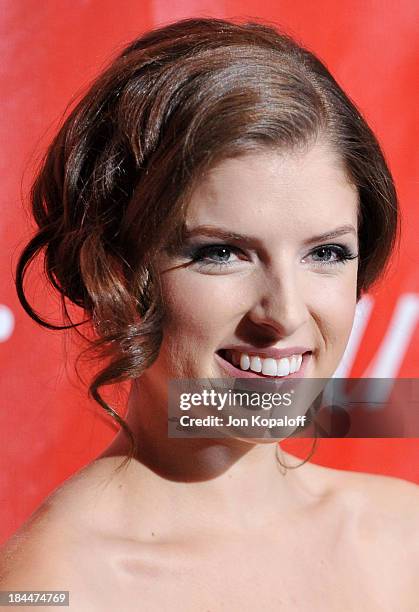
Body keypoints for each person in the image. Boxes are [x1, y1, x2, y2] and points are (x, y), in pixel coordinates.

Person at [1, 17, 418, 611]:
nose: (286, 313)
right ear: (118, 270)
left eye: (325, 253)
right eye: (221, 253)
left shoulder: (405, 538)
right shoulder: (52, 586)